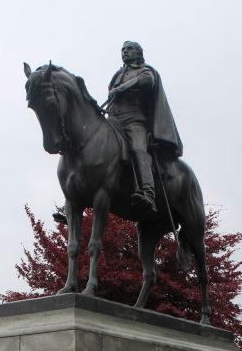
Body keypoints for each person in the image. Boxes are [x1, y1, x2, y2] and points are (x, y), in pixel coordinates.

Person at [52, 41, 183, 223]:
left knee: (138, 149)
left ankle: (148, 192)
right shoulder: (118, 74)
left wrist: (122, 87)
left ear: (138, 54)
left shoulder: (145, 71)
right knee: (88, 148)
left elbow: (148, 81)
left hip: (134, 122)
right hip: (113, 120)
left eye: (129, 49)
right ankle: (74, 199)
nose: (125, 52)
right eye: (123, 49)